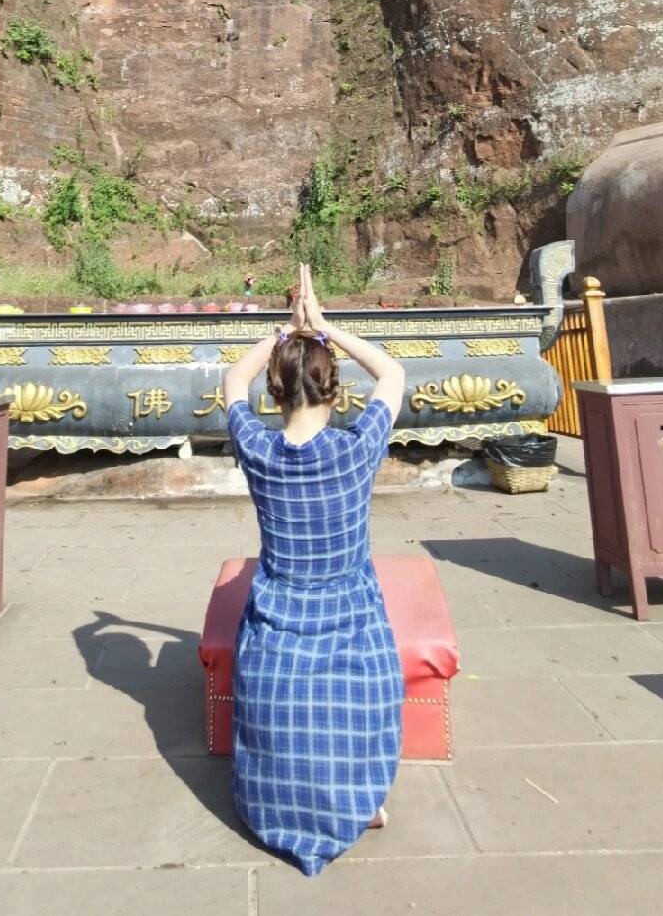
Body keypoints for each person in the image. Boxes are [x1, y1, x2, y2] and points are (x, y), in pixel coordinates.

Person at [220, 263, 406, 876]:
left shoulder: (257, 448)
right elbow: (394, 373)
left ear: (275, 393)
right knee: (365, 699)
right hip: (349, 616)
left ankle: (279, 804)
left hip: (278, 618)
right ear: (335, 392)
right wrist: (323, 327)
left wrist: (283, 332)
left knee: (279, 706)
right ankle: (358, 803)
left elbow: (231, 378)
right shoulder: (357, 450)